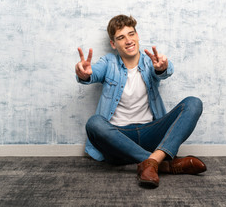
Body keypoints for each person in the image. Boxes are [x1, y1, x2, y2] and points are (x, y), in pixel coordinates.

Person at [75, 14, 206, 188]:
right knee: (94, 123)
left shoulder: (149, 62)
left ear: (137, 36)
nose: (128, 40)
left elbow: (163, 69)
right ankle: (162, 164)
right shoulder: (108, 62)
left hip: (149, 132)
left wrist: (164, 68)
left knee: (194, 103)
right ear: (114, 44)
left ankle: (151, 161)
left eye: (131, 34)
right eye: (121, 37)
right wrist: (84, 74)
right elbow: (92, 73)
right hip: (118, 139)